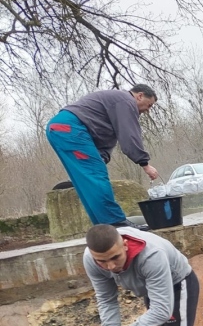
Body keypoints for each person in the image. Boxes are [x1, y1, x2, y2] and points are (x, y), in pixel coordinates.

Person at [46, 85, 160, 227]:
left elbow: (103, 141)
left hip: (60, 128)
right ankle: (116, 223)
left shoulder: (115, 105)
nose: (148, 110)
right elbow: (129, 137)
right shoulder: (126, 101)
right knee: (96, 175)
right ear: (140, 96)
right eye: (149, 105)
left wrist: (101, 158)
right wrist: (145, 164)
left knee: (87, 181)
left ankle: (103, 227)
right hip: (69, 128)